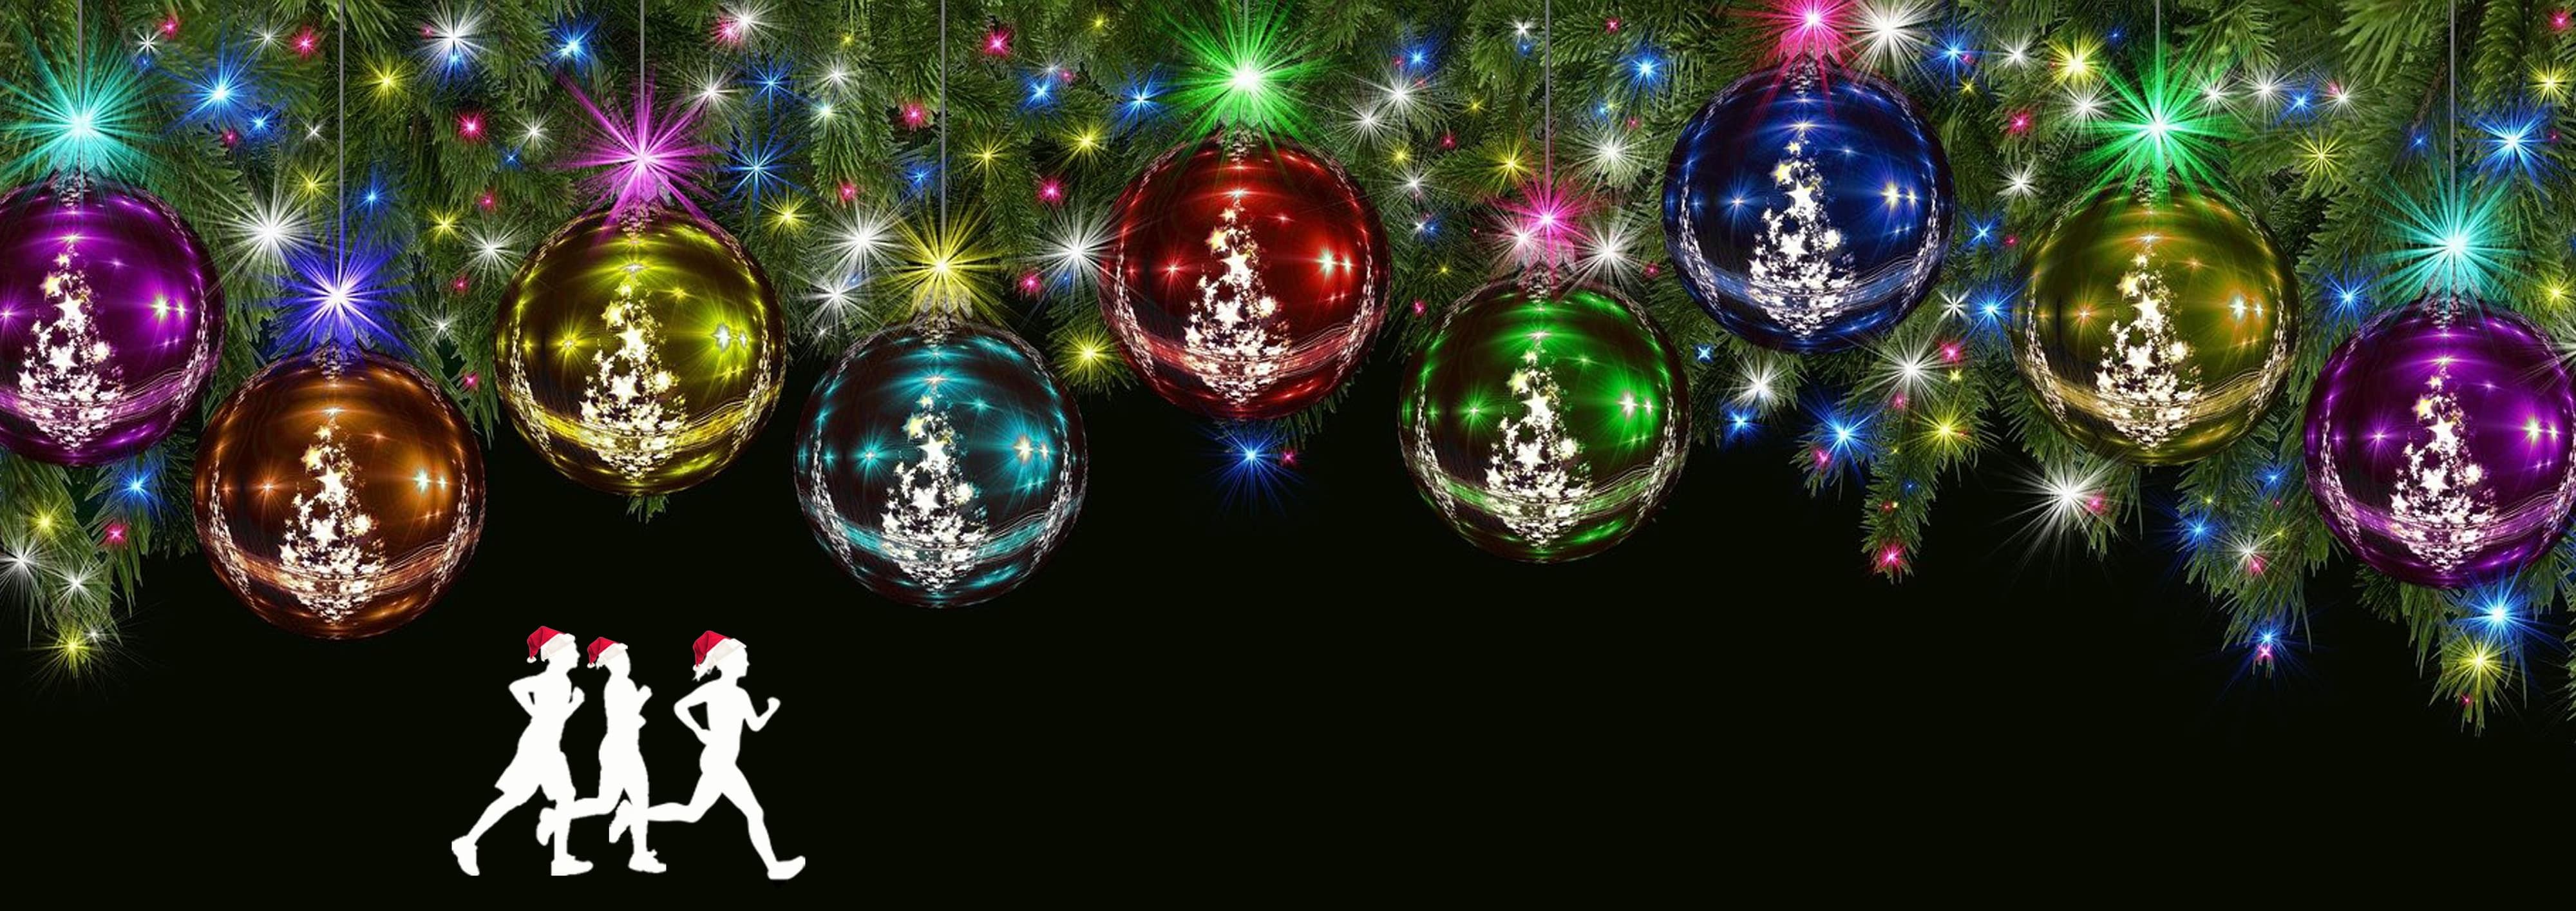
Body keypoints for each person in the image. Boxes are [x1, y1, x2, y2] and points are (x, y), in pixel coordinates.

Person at [622, 631, 806, 880]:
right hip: (717, 761)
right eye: (744, 659)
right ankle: (773, 867)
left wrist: (770, 711)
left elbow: (754, 726)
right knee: (754, 812)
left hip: (723, 762)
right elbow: (680, 707)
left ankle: (634, 813)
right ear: (730, 663)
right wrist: (699, 731)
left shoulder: (742, 695)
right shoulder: (714, 689)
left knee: (692, 813)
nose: (748, 663)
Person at [453, 627, 592, 876]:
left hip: (547, 746)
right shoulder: (553, 679)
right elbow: (517, 687)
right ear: (558, 655)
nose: (578, 654)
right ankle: (468, 842)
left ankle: (559, 860)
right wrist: (535, 712)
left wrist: (573, 706)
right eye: (573, 650)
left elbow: (554, 718)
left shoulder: (564, 681)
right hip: (540, 747)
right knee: (534, 798)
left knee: (551, 798)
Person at [542, 638, 665, 873]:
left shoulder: (617, 684)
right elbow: (626, 719)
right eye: (622, 658)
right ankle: (638, 856)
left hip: (616, 748)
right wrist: (643, 698)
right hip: (623, 749)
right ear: (611, 663)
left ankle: (555, 817)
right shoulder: (623, 685)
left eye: (626, 657)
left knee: (605, 804)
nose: (627, 662)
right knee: (640, 801)